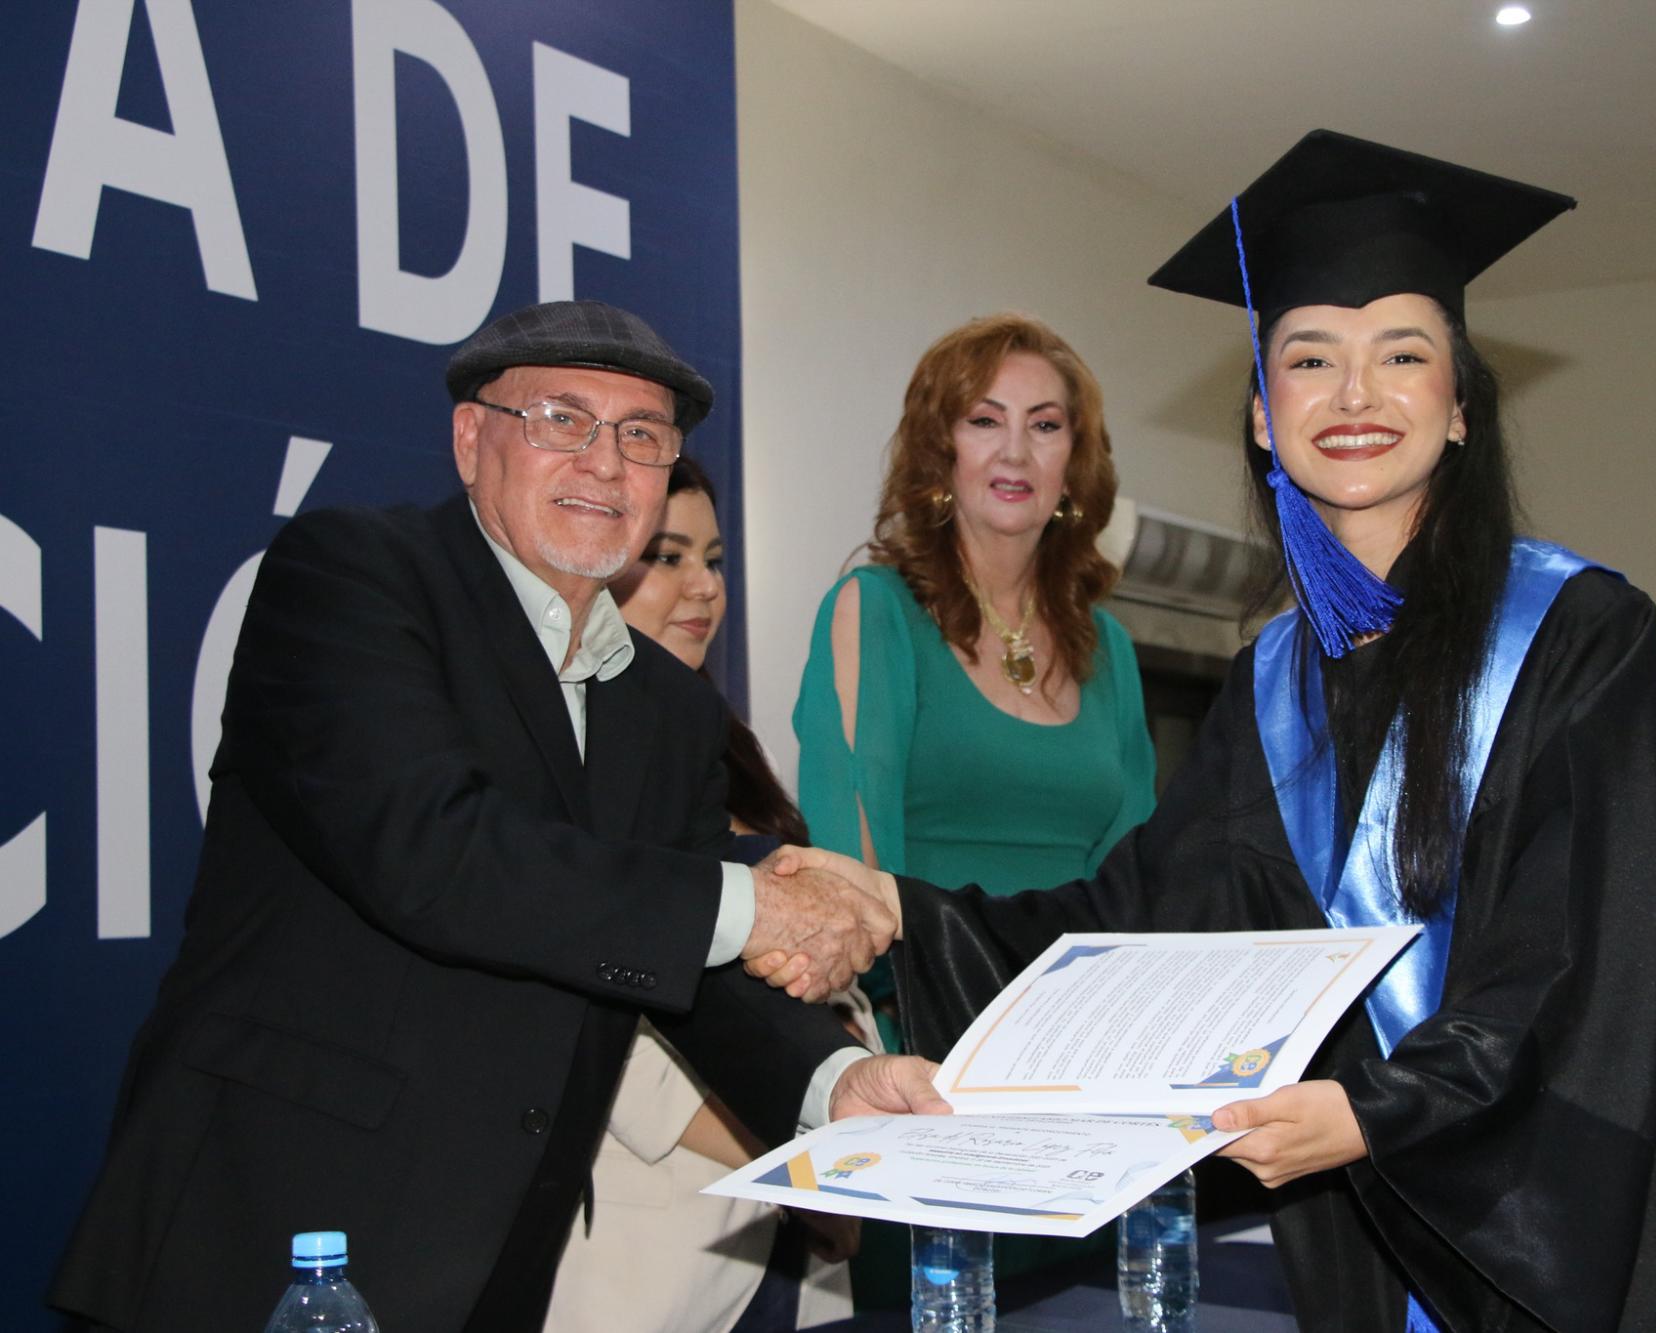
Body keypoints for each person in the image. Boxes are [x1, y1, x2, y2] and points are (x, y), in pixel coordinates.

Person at [763, 135, 1656, 1330]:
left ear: (1459, 409)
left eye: (1402, 354)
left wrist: (1375, 1111)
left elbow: (1578, 948)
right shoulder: (1271, 684)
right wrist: (897, 908)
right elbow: (1140, 920)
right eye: (1309, 358)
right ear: (1263, 416)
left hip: (1627, 1211)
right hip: (1391, 1209)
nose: (1353, 394)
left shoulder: (1576, 631)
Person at [48, 300, 941, 1333]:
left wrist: (832, 1083)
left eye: (642, 435)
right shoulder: (352, 576)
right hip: (278, 1240)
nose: (605, 462)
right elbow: (437, 851)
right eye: (562, 418)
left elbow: (685, 965)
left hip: (501, 1263)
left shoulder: (670, 707)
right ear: (471, 439)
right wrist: (755, 904)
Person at [790, 312, 1156, 1301]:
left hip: (1085, 1085)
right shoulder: (874, 610)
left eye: (1046, 424)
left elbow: (1140, 883)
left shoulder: (1112, 650)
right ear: (938, 449)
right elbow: (849, 876)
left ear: (1075, 462)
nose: (1014, 450)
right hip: (933, 1078)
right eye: (984, 420)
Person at [545, 456, 874, 1332]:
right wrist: (804, 1165)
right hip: (663, 1244)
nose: (704, 586)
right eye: (668, 556)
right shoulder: (562, 754)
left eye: (715, 559)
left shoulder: (724, 742)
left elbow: (828, 968)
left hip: (800, 1231)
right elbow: (596, 1029)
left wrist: (845, 1148)